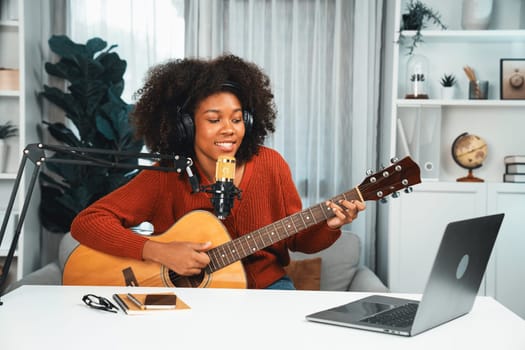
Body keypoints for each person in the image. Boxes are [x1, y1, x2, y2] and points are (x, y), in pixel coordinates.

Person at [70, 54, 366, 289]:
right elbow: (87, 223)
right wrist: (158, 251)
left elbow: (299, 240)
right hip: (191, 295)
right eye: (214, 119)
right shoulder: (166, 175)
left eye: (237, 119)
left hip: (266, 289)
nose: (229, 129)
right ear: (186, 126)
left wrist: (330, 224)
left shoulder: (270, 164)